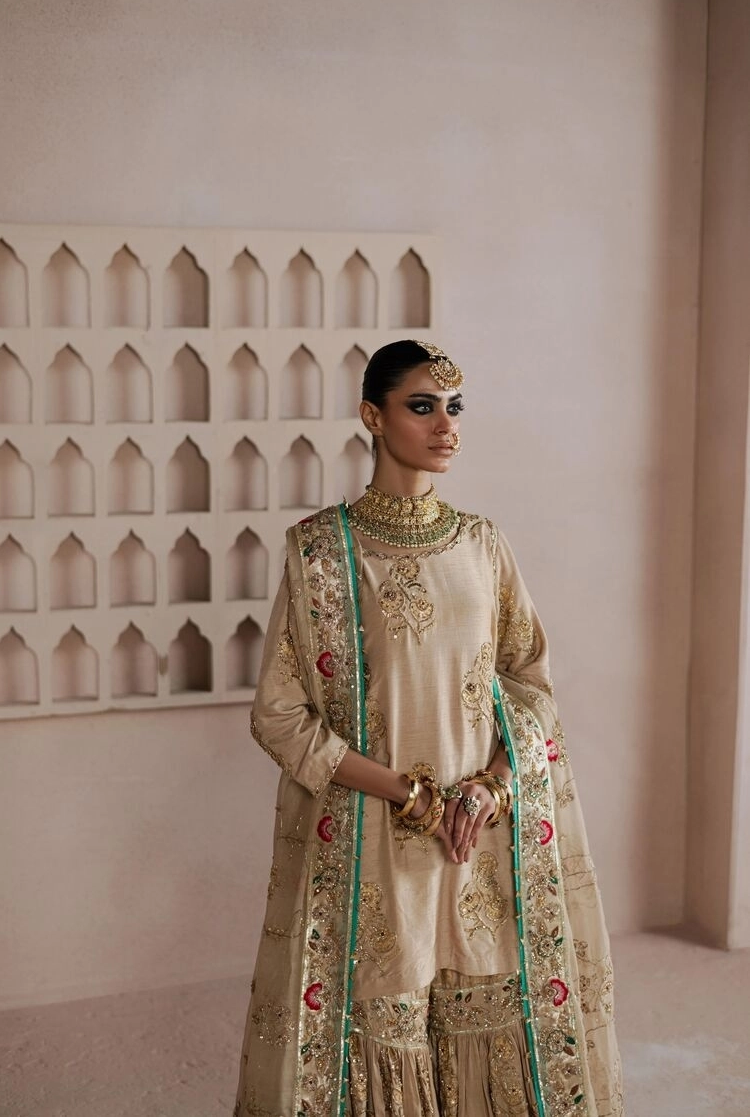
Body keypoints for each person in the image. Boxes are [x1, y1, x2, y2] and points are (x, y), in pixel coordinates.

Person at [233, 340, 623, 1117]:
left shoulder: (483, 544)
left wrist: (491, 790)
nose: (447, 425)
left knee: (485, 1015)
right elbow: (278, 714)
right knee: (387, 1024)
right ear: (372, 417)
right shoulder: (322, 553)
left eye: (454, 407)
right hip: (374, 843)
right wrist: (410, 796)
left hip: (479, 841)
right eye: (422, 407)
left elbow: (530, 684)